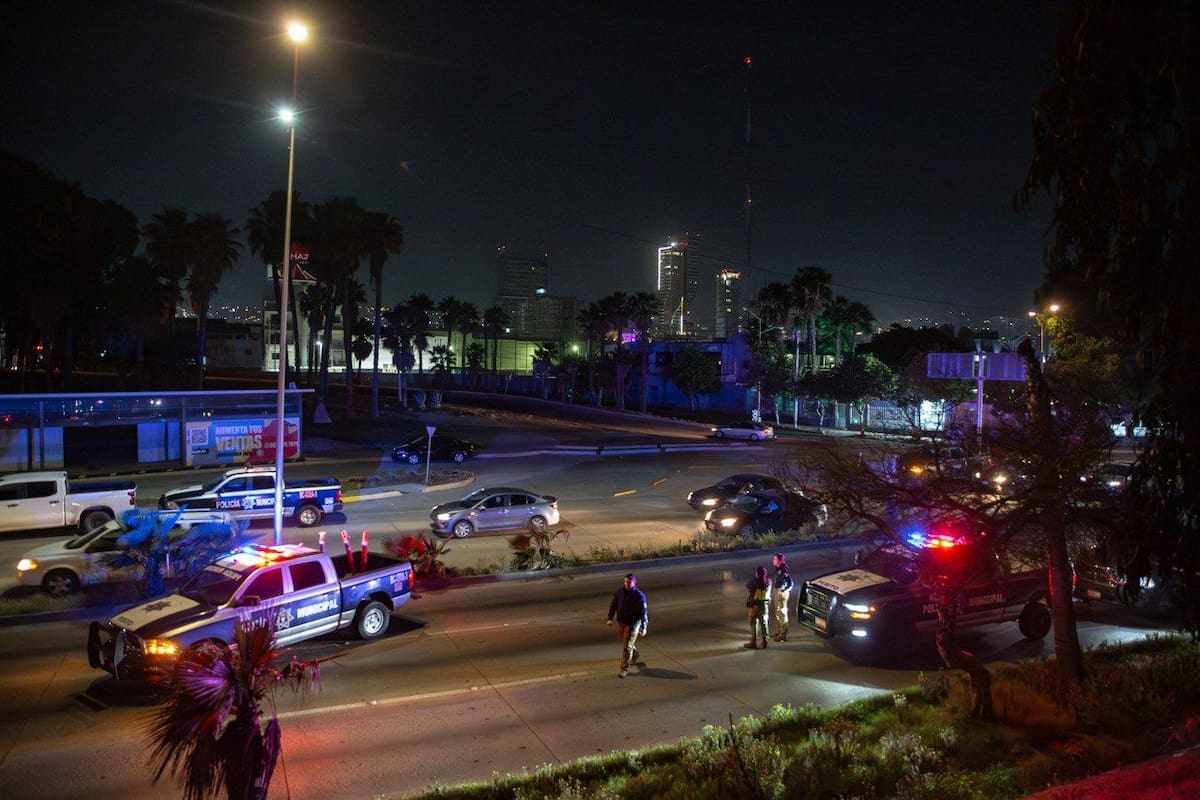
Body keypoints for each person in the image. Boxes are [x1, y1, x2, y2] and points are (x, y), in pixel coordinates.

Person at [606, 573, 648, 678]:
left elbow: (644, 613)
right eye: (625, 582)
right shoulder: (620, 593)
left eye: (629, 582)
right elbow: (614, 605)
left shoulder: (639, 596)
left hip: (633, 624)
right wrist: (610, 618)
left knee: (626, 647)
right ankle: (634, 653)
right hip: (621, 622)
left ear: (634, 582)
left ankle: (624, 669)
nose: (627, 584)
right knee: (625, 642)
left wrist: (644, 626)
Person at [744, 565, 772, 649]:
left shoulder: (754, 582)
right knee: (764, 624)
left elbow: (747, 585)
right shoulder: (768, 581)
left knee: (753, 624)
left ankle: (753, 642)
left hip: (755, 606)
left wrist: (755, 578)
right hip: (765, 606)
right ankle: (765, 642)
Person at [771, 553, 793, 642]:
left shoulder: (784, 570)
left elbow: (790, 583)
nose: (773, 561)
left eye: (775, 559)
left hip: (781, 593)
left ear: (779, 561)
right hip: (777, 591)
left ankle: (783, 634)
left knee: (782, 613)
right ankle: (778, 631)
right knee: (777, 612)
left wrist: (783, 591)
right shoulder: (778, 569)